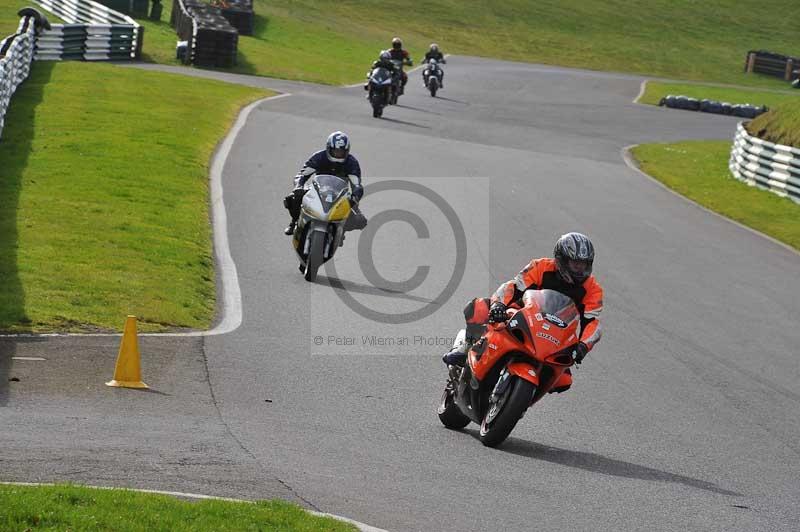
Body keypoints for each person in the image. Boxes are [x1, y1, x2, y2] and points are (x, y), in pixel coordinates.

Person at [442, 232, 603, 394]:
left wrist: (583, 346)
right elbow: (512, 287)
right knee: (479, 308)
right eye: (575, 264)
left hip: (555, 337)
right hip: (523, 318)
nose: (580, 270)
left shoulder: (592, 289)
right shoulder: (540, 267)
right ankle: (465, 348)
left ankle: (521, 401)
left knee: (564, 380)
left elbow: (592, 323)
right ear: (561, 259)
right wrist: (498, 305)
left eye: (584, 264)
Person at [283, 131, 365, 235]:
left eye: (341, 152)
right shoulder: (319, 157)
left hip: (340, 194)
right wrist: (298, 186)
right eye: (335, 151)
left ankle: (339, 231)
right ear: (328, 148)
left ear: (347, 151)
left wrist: (355, 196)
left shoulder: (352, 162)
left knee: (360, 221)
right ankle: (294, 222)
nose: (338, 154)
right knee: (292, 198)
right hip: (317, 189)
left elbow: (357, 184)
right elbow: (302, 174)